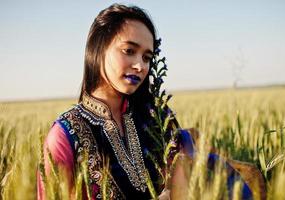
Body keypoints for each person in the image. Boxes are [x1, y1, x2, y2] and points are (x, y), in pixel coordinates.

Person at [37, 3, 188, 200]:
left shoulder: (158, 116)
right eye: (129, 51)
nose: (140, 66)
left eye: (147, 57)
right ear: (99, 49)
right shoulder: (65, 134)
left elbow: (182, 188)